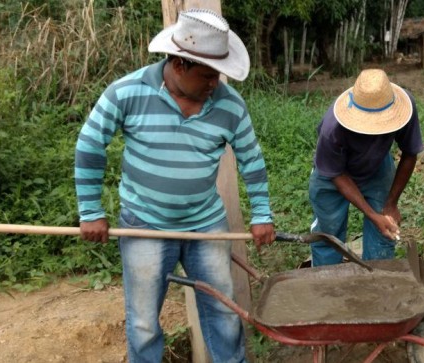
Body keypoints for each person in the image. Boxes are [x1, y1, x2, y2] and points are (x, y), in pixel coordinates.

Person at [74, 9, 274, 362]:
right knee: (144, 322)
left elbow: (252, 161)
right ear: (179, 64)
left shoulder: (230, 105)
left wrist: (262, 213)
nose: (215, 83)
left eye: (219, 74)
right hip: (145, 224)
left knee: (223, 312)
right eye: (207, 75)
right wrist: (91, 211)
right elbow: (90, 146)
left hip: (205, 223)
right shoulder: (126, 92)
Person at [309, 69, 423, 266]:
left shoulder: (405, 108)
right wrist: (371, 214)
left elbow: (409, 153)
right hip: (333, 173)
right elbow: (337, 175)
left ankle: (376, 282)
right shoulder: (332, 127)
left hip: (377, 167)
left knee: (385, 230)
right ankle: (327, 285)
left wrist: (391, 204)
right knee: (328, 234)